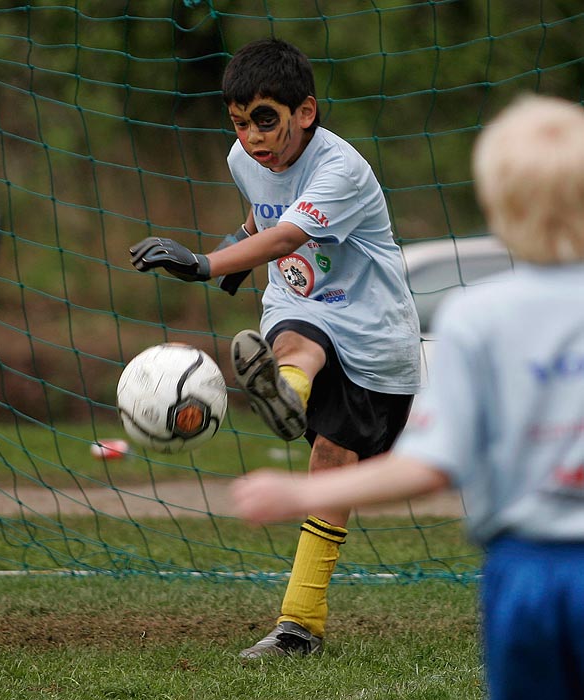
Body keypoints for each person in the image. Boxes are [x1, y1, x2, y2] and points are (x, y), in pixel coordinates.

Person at [232, 94, 584, 698]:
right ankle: (291, 386)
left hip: (527, 572)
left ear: (495, 204)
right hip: (318, 316)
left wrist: (299, 493)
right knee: (305, 352)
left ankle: (292, 392)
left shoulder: (475, 317)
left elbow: (431, 467)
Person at [129, 38, 421, 659]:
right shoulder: (244, 156)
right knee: (294, 334)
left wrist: (206, 263)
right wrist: (236, 246)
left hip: (373, 330)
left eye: (266, 119)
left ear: (305, 113)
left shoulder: (341, 169)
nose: (254, 137)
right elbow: (266, 220)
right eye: (240, 122)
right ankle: (298, 626)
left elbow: (289, 232)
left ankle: (288, 393)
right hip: (299, 301)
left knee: (332, 466)